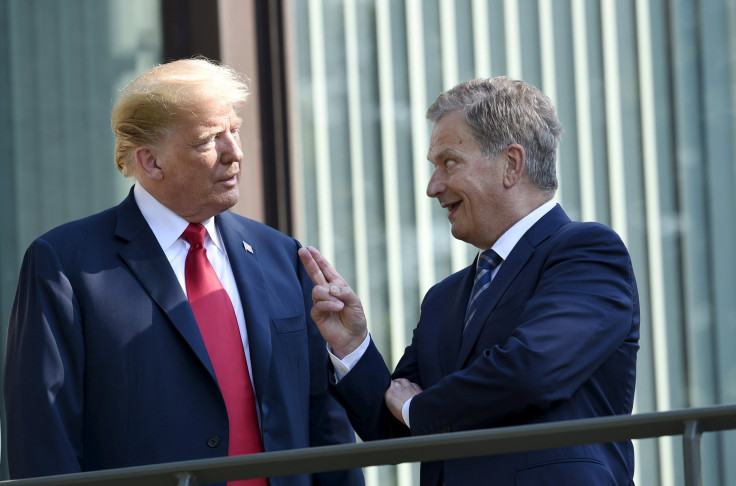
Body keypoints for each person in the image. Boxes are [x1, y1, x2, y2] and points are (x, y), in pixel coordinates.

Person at [4, 57, 364, 486]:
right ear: (151, 162)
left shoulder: (282, 255)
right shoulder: (65, 265)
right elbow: (44, 441)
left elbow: (325, 422)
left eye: (235, 130)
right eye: (210, 139)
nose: (235, 151)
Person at [299, 76, 639, 485]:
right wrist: (352, 346)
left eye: (449, 162)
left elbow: (530, 371)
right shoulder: (444, 298)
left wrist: (416, 409)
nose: (432, 187)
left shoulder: (586, 252)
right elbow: (392, 427)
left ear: (511, 164)